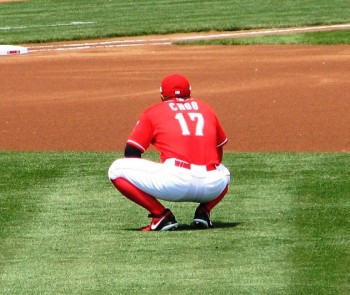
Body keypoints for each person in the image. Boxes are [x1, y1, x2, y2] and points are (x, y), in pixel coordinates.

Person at [108, 73, 231, 231]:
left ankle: (160, 215)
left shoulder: (154, 112)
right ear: (190, 92)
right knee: (225, 173)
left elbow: (131, 152)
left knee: (116, 169)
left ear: (161, 95)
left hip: (175, 182)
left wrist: (151, 183)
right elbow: (218, 151)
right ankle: (204, 211)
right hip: (211, 186)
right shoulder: (206, 109)